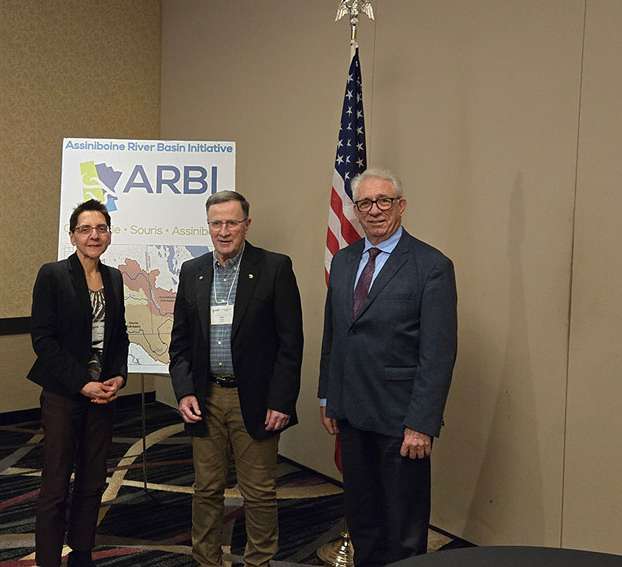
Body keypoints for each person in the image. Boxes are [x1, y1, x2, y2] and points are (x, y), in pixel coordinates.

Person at [318, 168, 458, 567]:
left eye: (383, 201)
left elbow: (439, 353)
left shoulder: (431, 265)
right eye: (365, 203)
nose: (374, 210)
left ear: (401, 206)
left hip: (402, 421)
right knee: (364, 520)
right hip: (350, 412)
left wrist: (422, 423)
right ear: (356, 211)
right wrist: (329, 396)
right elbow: (335, 334)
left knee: (405, 527)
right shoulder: (344, 261)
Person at [169, 190, 304, 567]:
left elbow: (291, 345)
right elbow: (179, 343)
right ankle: (206, 560)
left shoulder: (274, 268)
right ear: (208, 225)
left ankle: (258, 562)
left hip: (256, 399)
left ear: (246, 224)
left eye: (231, 222)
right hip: (205, 397)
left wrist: (281, 401)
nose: (224, 231)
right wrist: (183, 392)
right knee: (206, 490)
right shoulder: (192, 270)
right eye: (216, 223)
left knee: (259, 492)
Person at [27, 199, 129, 567]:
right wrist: (81, 384)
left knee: (93, 479)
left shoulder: (115, 277)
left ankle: (82, 552)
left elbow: (120, 337)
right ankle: (49, 559)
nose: (94, 235)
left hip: (103, 395)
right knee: (55, 484)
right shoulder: (52, 275)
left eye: (101, 228)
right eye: (85, 229)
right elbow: (43, 340)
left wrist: (118, 375)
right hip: (63, 395)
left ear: (109, 235)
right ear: (72, 236)